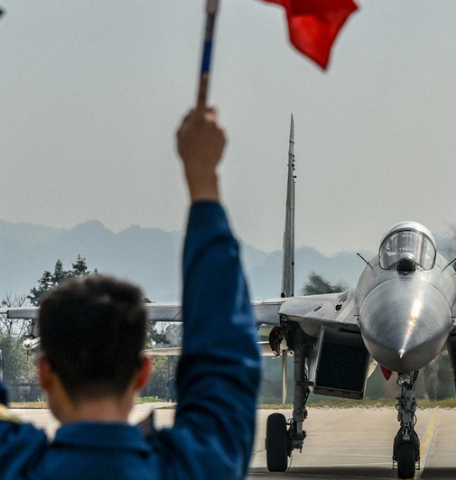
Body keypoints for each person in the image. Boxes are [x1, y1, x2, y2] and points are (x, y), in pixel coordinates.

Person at [0, 106, 262, 479]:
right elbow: (224, 363)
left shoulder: (13, 465)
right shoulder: (196, 466)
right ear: (142, 371)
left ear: (44, 372)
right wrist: (203, 180)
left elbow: (224, 366)